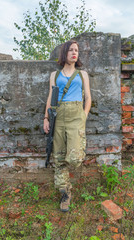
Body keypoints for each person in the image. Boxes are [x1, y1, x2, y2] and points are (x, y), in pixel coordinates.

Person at [43, 40, 91, 212]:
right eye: (70, 50)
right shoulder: (54, 76)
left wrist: (83, 117)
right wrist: (46, 118)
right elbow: (50, 97)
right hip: (59, 117)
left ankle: (67, 186)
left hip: (76, 117)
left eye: (76, 50)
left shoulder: (82, 74)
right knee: (59, 157)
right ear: (64, 53)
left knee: (75, 158)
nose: (74, 53)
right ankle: (65, 193)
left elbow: (88, 98)